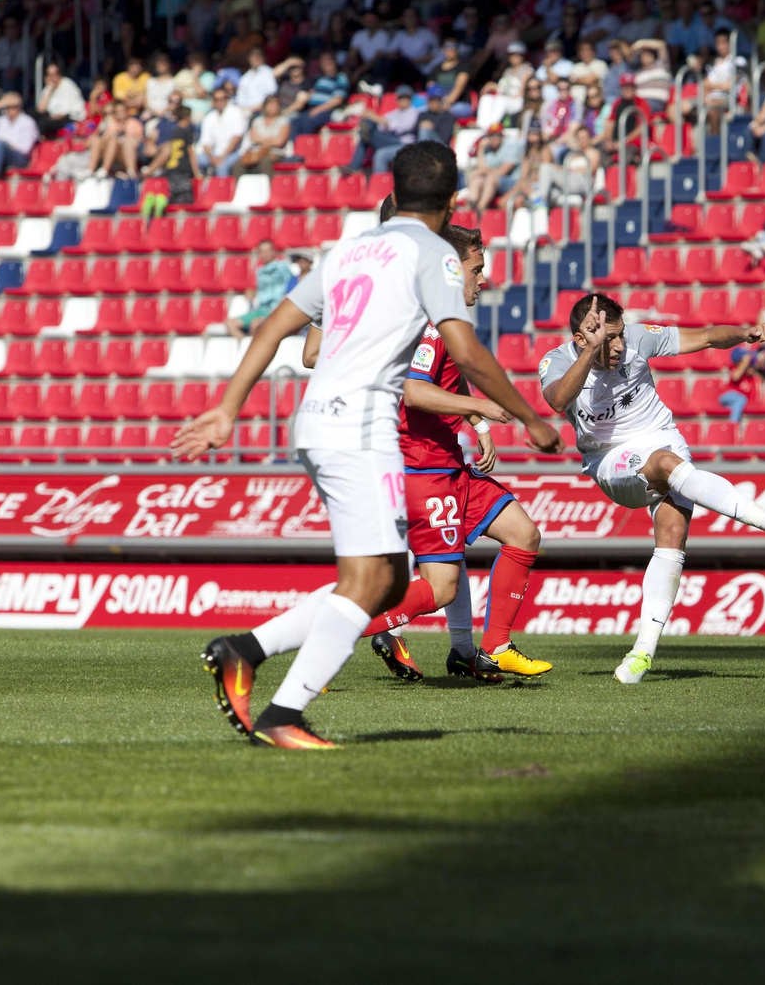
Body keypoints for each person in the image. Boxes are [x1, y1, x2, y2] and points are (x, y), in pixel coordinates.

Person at [180, 142, 562, 749]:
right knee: (373, 582)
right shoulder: (435, 254)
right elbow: (463, 350)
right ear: (453, 199)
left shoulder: (348, 250)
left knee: (379, 580)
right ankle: (280, 708)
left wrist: (229, 408)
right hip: (361, 428)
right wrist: (526, 417)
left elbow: (276, 326)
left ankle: (246, 653)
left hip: (317, 422)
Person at [301, 223, 555, 682]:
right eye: (477, 269)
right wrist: (482, 407)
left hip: (450, 462)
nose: (484, 279)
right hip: (423, 468)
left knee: (524, 534)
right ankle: (324, 629)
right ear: (452, 268)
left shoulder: (443, 317)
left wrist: (476, 423)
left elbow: (444, 383)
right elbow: (415, 392)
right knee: (440, 586)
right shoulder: (427, 322)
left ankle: (492, 647)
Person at [540, 295, 765, 683]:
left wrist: (743, 333)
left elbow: (703, 337)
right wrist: (590, 351)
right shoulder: (558, 361)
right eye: (609, 339)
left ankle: (640, 655)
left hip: (663, 437)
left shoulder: (638, 338)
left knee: (672, 536)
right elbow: (556, 401)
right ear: (582, 337)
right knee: (667, 465)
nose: (619, 346)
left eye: (620, 336)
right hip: (610, 458)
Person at [225, 240, 292, 336]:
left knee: (256, 324)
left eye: (267, 251)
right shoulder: (259, 271)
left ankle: (256, 349)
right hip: (261, 310)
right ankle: (245, 346)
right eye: (261, 251)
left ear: (274, 251)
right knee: (230, 323)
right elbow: (258, 288)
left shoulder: (283, 267)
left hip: (275, 310)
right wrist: (251, 292)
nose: (264, 254)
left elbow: (292, 286)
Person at [195, 85, 249, 177]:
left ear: (227, 99)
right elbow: (205, 142)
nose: (219, 102)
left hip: (235, 152)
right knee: (198, 160)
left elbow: (237, 137)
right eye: (216, 99)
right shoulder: (209, 117)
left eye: (222, 99)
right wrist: (211, 157)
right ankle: (204, 187)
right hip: (215, 153)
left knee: (221, 167)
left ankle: (223, 190)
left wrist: (223, 156)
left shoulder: (236, 112)